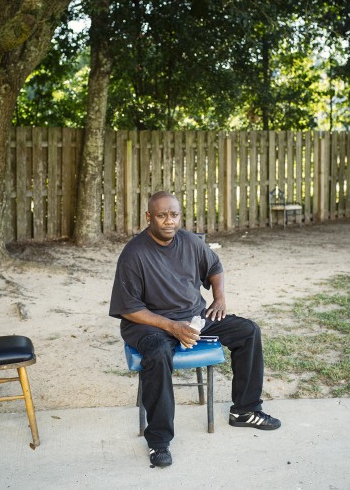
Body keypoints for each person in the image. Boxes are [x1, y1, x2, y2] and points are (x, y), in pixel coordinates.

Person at [109, 190, 281, 468]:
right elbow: (129, 309)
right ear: (148, 217)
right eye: (162, 215)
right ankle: (159, 441)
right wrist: (170, 326)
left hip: (193, 316)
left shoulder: (190, 242)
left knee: (248, 331)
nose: (169, 221)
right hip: (148, 323)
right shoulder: (134, 253)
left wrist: (220, 298)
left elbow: (215, 267)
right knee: (158, 353)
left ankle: (245, 410)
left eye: (174, 214)